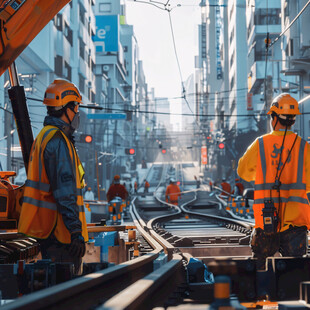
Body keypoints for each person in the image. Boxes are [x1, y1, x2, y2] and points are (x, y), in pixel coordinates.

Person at [18, 79, 88, 274]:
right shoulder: (58, 142)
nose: (77, 113)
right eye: (75, 107)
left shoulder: (45, 135)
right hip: (61, 235)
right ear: (64, 108)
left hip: (49, 231)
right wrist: (76, 233)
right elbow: (65, 192)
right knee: (65, 291)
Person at [237, 93, 310, 271]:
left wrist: (263, 173)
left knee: (259, 270)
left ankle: (262, 297)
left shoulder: (261, 144)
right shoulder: (304, 147)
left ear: (273, 117)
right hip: (295, 222)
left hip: (267, 219)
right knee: (294, 273)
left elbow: (243, 172)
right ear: (293, 121)